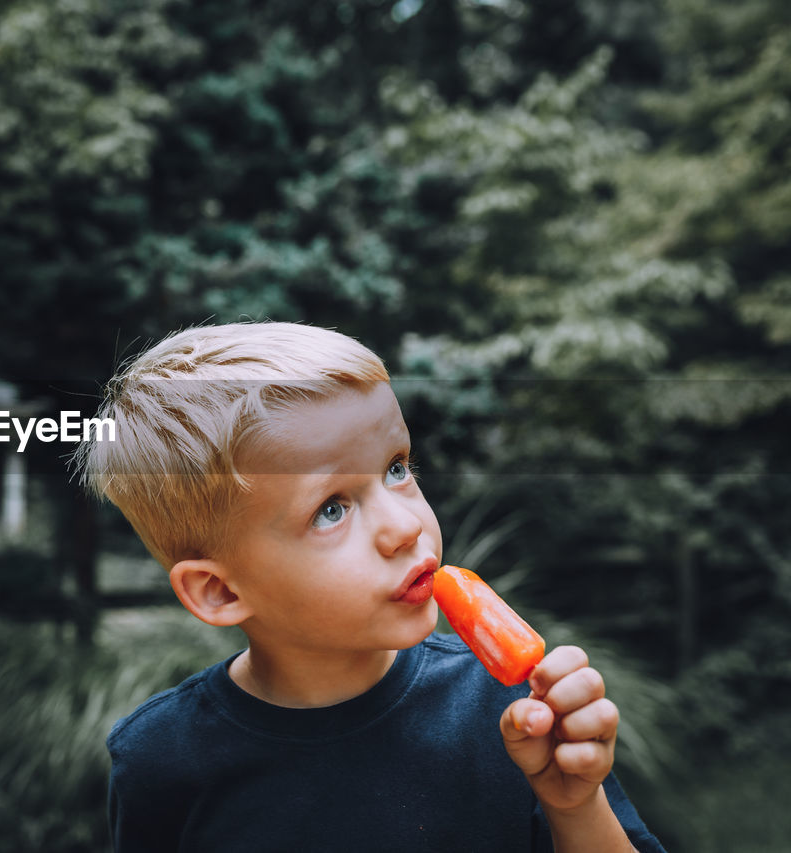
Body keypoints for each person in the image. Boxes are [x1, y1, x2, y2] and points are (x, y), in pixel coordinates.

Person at [75, 322, 666, 852]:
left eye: (397, 468)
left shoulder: (508, 707)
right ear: (220, 592)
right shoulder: (161, 759)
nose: (407, 526)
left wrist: (575, 806)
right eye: (332, 508)